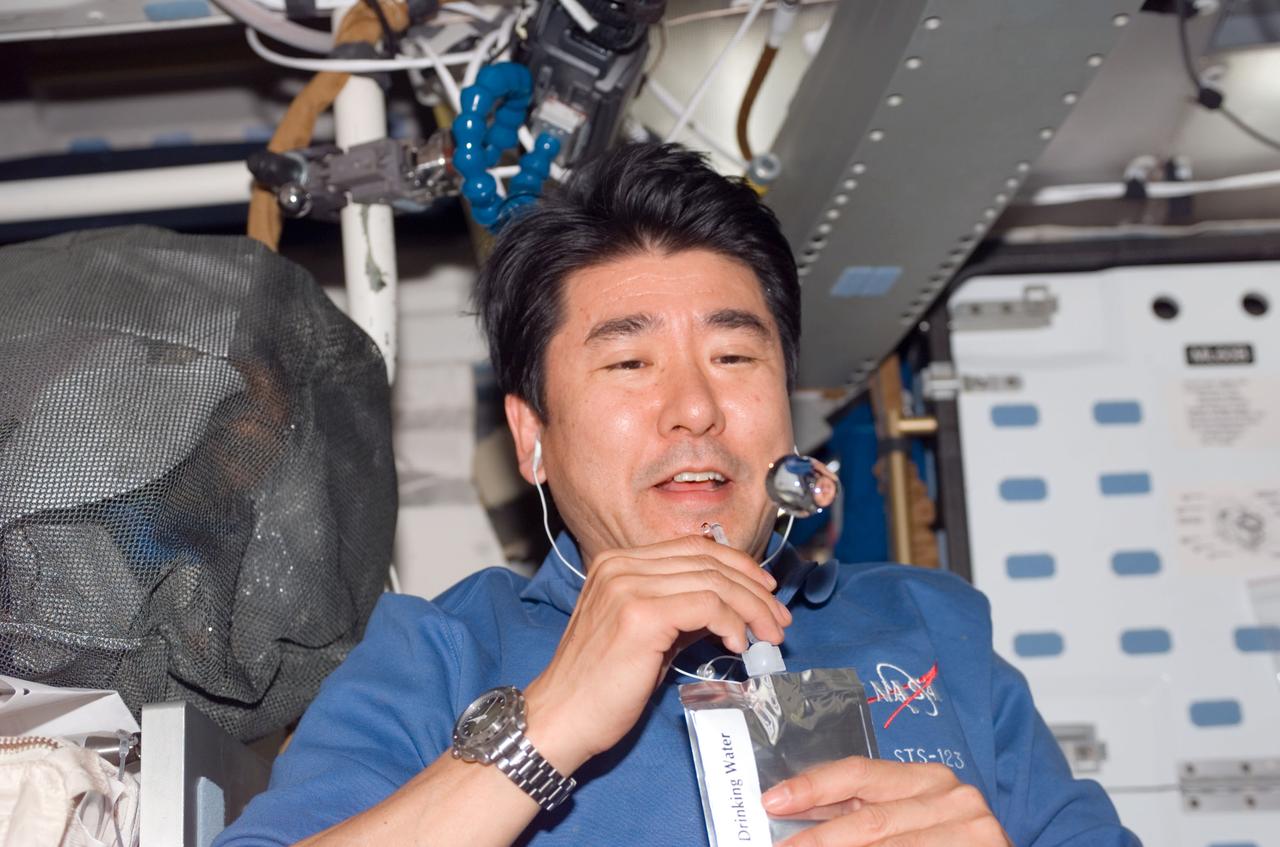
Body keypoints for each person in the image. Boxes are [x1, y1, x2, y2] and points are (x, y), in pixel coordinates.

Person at [216, 143, 1139, 847]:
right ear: (532, 437)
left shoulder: (931, 626)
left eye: (734, 356)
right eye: (629, 362)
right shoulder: (437, 656)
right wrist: (548, 723)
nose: (696, 407)